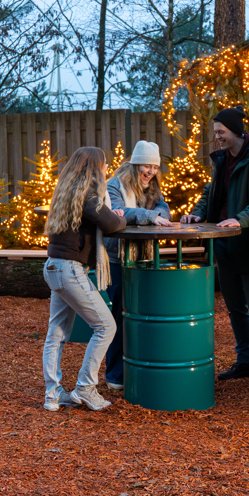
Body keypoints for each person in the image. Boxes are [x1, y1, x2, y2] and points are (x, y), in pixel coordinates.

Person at [182, 107, 249, 393]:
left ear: (236, 131)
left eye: (220, 132)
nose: (217, 138)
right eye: (215, 133)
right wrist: (198, 213)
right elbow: (209, 193)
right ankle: (244, 361)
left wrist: (240, 219)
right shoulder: (221, 160)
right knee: (235, 307)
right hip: (223, 241)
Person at [42, 146, 127, 411]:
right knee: (106, 327)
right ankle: (85, 389)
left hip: (53, 267)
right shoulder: (89, 196)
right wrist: (120, 217)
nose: (106, 170)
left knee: (55, 334)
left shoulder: (66, 192)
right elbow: (112, 225)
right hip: (70, 270)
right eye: (103, 166)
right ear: (94, 169)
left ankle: (53, 395)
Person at [102, 140, 176, 390]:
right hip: (116, 260)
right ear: (135, 165)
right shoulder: (115, 185)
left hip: (142, 258)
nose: (150, 172)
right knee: (120, 315)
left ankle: (137, 367)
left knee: (140, 315)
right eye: (146, 166)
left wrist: (157, 214)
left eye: (154, 167)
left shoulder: (152, 186)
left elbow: (164, 208)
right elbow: (117, 213)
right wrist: (149, 216)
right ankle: (114, 375)